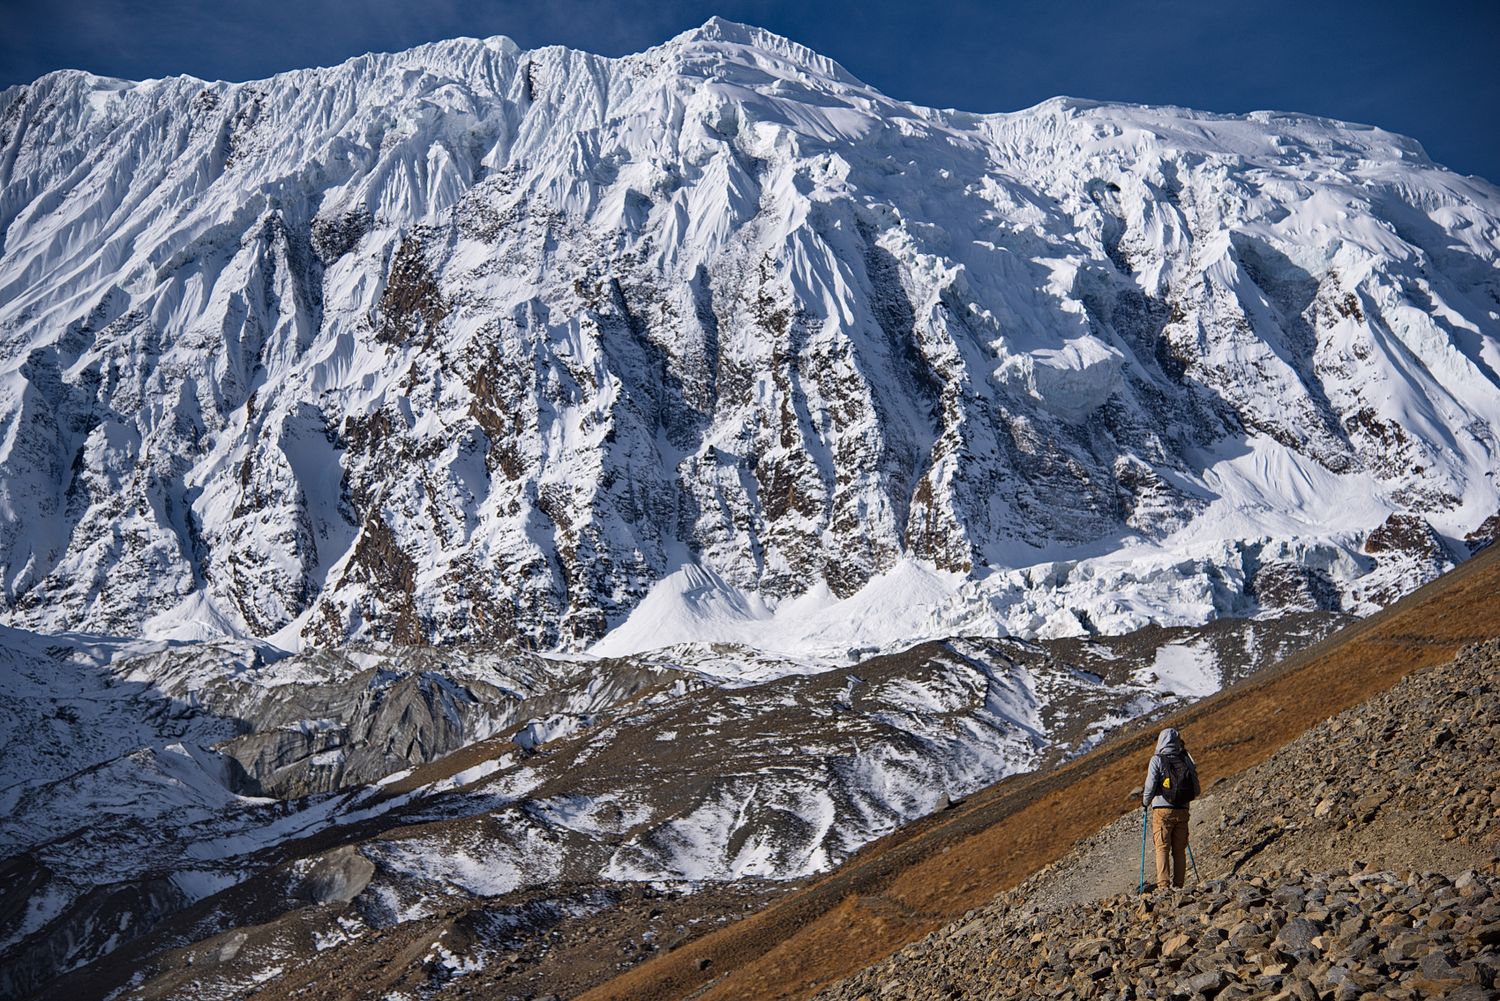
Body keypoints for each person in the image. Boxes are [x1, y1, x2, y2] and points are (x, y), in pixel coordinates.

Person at [1141, 726, 1199, 890]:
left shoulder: (1157, 759)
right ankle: (1179, 885)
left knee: (1162, 848)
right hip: (1182, 810)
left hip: (1162, 810)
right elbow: (1196, 788)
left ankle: (1163, 886)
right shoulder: (1186, 758)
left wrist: (1145, 802)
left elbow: (1150, 786)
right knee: (1179, 849)